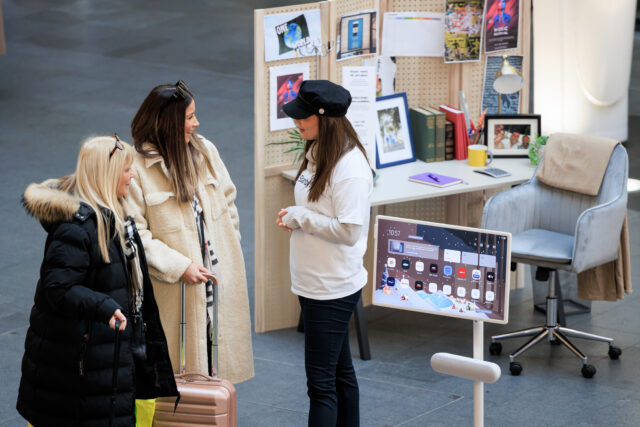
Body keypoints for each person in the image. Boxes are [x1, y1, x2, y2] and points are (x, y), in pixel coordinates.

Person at [17, 135, 178, 426]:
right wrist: (104, 306)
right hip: (81, 368)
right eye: (126, 169)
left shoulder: (119, 216)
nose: (133, 175)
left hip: (110, 357)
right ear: (107, 174)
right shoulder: (77, 228)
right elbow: (59, 288)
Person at [127, 80, 254, 383]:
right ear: (168, 122)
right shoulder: (136, 168)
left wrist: (228, 243)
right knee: (179, 379)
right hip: (175, 290)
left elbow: (228, 200)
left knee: (217, 371)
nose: (196, 123)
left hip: (216, 280)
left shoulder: (205, 150)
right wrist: (180, 266)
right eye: (189, 117)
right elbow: (135, 235)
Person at [276, 80, 373, 427]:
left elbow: (349, 231)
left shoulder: (350, 169)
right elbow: (320, 211)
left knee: (321, 387)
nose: (296, 123)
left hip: (331, 289)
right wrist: (299, 217)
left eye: (303, 117)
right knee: (340, 374)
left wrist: (303, 218)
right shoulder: (317, 150)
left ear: (325, 118)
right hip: (312, 283)